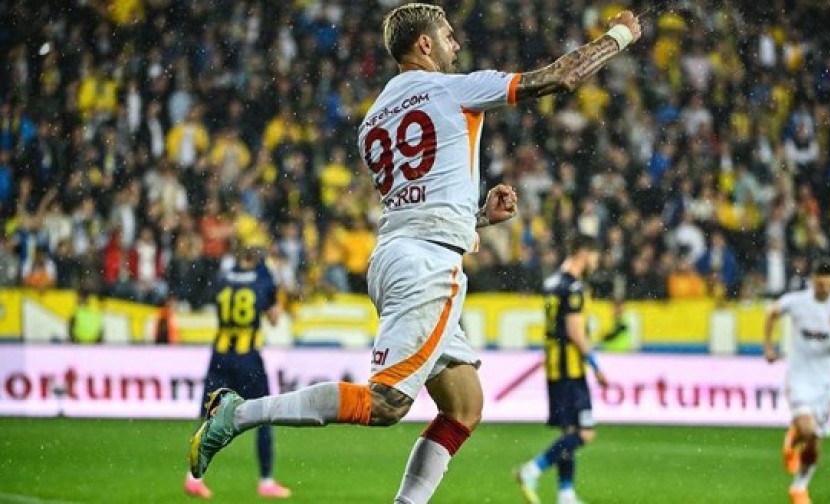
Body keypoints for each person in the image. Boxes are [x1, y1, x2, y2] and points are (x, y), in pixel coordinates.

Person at [188, 4, 641, 503]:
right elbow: (560, 77)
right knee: (386, 403)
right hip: (428, 266)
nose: (456, 44)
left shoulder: (372, 121)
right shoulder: (454, 89)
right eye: (447, 35)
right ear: (424, 44)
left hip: (397, 254)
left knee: (464, 405)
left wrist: (477, 219)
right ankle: (239, 413)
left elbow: (417, 201)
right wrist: (619, 36)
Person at [184, 246, 291, 499]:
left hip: (220, 355)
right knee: (264, 415)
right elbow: (274, 319)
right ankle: (266, 481)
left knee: (209, 416)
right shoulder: (262, 280)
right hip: (247, 358)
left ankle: (193, 478)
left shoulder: (224, 279)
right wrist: (276, 289)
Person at [516, 235, 608, 504]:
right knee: (584, 432)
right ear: (583, 253)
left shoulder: (552, 283)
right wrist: (595, 365)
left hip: (555, 366)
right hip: (571, 368)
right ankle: (532, 469)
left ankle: (566, 494)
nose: (595, 262)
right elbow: (574, 331)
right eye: (594, 256)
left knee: (569, 432)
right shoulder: (574, 288)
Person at [763, 258, 830, 504]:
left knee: (814, 440)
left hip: (825, 382)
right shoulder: (798, 301)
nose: (824, 288)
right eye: (820, 284)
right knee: (808, 429)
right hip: (799, 377)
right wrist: (768, 346)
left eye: (829, 284)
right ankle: (796, 436)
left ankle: (799, 486)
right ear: (813, 281)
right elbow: (771, 312)